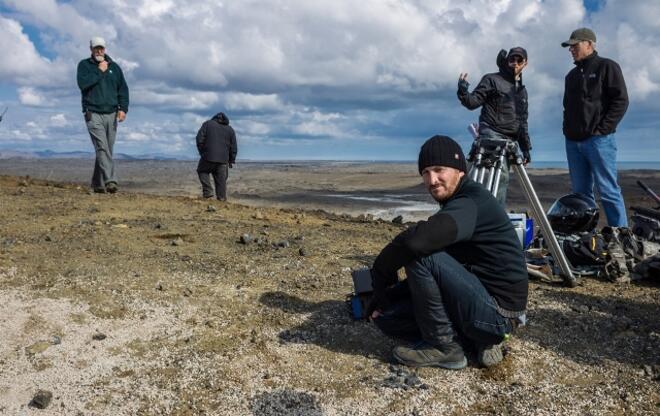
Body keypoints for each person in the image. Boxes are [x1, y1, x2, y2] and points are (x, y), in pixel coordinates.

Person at [368, 135, 528, 369]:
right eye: (425, 173)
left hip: (499, 314)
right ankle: (472, 339)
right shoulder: (458, 203)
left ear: (460, 171)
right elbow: (446, 271)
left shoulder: (471, 202)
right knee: (388, 319)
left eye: (438, 169)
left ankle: (446, 348)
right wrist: (389, 295)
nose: (432, 180)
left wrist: (380, 271)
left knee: (420, 255)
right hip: (476, 296)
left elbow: (417, 243)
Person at [561, 28, 629, 227]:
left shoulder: (607, 66)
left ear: (589, 44)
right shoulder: (570, 76)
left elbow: (621, 101)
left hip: (599, 141)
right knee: (580, 195)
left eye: (575, 45)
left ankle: (622, 237)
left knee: (608, 191)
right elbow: (567, 107)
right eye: (570, 46)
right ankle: (585, 240)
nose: (571, 49)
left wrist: (603, 130)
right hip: (573, 142)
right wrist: (567, 130)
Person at [457, 47, 532, 206]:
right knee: (501, 177)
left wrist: (526, 148)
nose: (515, 63)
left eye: (519, 61)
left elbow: (522, 122)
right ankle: (489, 216)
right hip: (492, 134)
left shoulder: (521, 91)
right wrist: (463, 92)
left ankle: (492, 216)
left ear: (525, 63)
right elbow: (473, 102)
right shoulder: (492, 79)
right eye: (512, 59)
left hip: (510, 140)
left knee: (502, 179)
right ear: (507, 61)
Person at [76, 37, 129, 194]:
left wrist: (123, 109)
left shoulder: (115, 68)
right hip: (93, 113)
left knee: (107, 150)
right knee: (102, 147)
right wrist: (99, 71)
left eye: (101, 48)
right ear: (91, 49)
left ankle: (97, 185)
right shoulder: (84, 66)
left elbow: (123, 89)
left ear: (105, 49)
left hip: (111, 114)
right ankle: (110, 181)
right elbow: (82, 84)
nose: (99, 51)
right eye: (96, 48)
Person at [195, 112, 237, 201]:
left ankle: (208, 192)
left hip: (208, 157)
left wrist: (203, 152)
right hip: (223, 160)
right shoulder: (230, 129)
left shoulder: (207, 124)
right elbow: (234, 147)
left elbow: (199, 139)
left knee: (202, 171)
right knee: (221, 181)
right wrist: (231, 160)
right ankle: (221, 199)